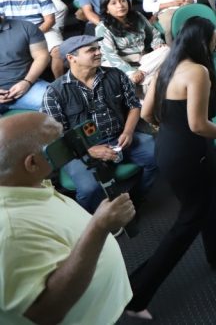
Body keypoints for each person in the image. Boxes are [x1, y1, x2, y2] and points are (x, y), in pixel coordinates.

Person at [127, 18, 216, 319]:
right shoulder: (197, 71)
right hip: (189, 152)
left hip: (169, 148)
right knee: (189, 220)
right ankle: (137, 294)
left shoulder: (167, 66)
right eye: (213, 38)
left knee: (215, 192)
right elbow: (198, 125)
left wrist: (171, 131)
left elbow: (147, 113)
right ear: (203, 40)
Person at [0, 112, 135, 324]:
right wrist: (99, 228)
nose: (71, 146)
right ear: (32, 163)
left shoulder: (27, 184)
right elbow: (45, 313)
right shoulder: (10, 232)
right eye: (59, 144)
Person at [42, 35, 159, 213]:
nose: (98, 52)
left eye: (98, 48)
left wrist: (128, 131)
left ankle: (135, 200)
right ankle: (87, 221)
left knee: (157, 156)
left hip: (119, 137)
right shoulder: (55, 92)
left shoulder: (116, 75)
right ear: (71, 58)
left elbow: (134, 106)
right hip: (79, 150)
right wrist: (88, 150)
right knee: (90, 189)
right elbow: (55, 135)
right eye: (91, 50)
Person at [0, 0, 64, 77]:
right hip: (9, 32)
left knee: (58, 50)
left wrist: (33, 35)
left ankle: (61, 83)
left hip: (41, 29)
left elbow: (50, 20)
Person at [96, 0, 168, 89]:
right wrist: (131, 71)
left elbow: (153, 32)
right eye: (114, 3)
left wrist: (157, 43)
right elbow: (110, 55)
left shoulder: (137, 16)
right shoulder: (102, 27)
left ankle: (140, 76)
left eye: (122, 1)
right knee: (108, 65)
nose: (120, 5)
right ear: (107, 9)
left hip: (142, 60)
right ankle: (143, 78)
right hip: (118, 62)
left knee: (166, 50)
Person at [0, 14, 50, 113]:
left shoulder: (26, 27)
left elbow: (42, 56)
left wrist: (27, 82)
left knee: (63, 100)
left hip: (27, 87)